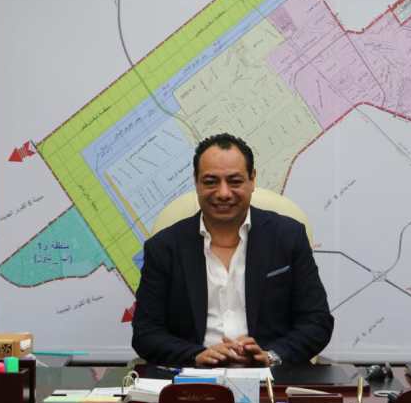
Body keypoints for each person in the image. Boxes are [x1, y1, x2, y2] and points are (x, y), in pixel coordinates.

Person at [132, 133, 334, 367]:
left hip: (270, 380)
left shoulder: (288, 237)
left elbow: (317, 322)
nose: (223, 193)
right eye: (211, 182)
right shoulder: (164, 247)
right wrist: (194, 355)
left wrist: (271, 356)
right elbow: (146, 333)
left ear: (252, 179)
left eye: (235, 181)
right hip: (194, 379)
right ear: (196, 182)